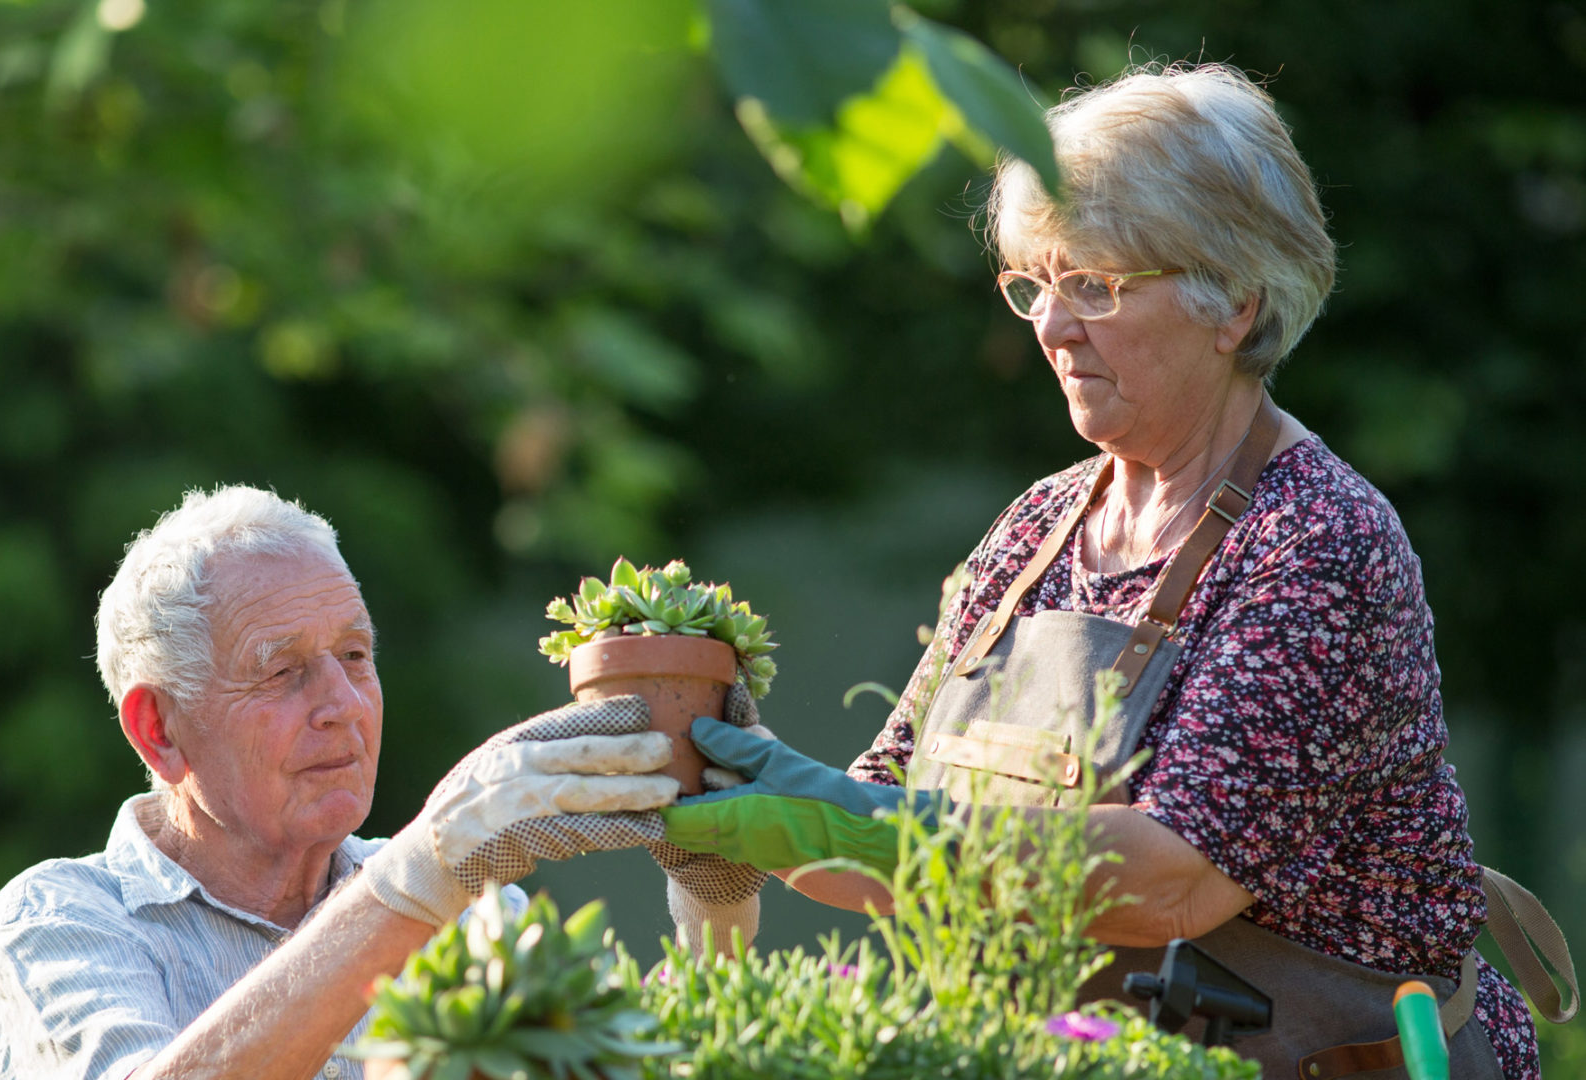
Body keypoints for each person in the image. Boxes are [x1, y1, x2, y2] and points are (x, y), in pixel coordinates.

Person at [659, 63, 1572, 1079]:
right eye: (1032, 284)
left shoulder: (1315, 541)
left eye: (1090, 285)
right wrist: (718, 770)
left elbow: (1170, 881)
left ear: (1231, 302)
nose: (1048, 328)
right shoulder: (1037, 527)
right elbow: (872, 836)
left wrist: (845, 823)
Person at [0, 485, 761, 1080]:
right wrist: (419, 874)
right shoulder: (61, 915)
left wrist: (715, 908)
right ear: (160, 729)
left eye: (356, 657)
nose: (343, 707)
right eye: (283, 671)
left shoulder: (473, 910)